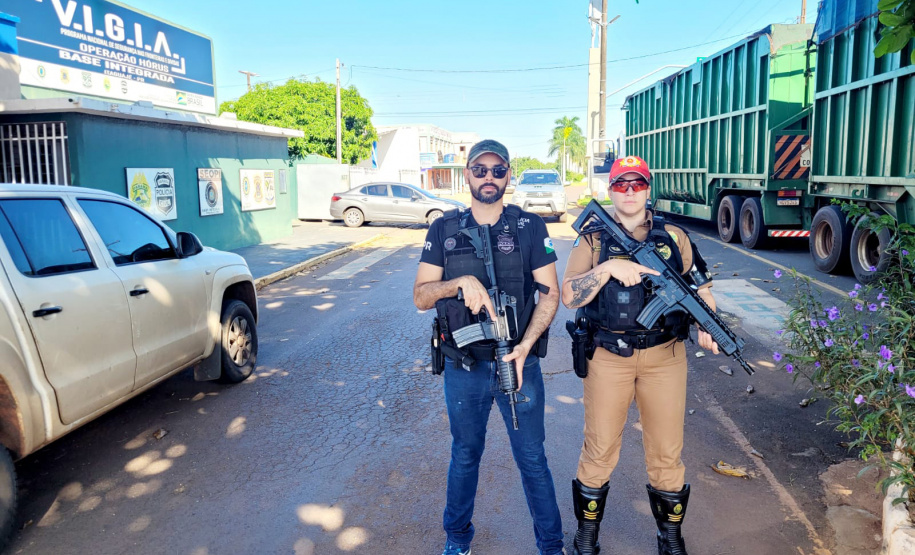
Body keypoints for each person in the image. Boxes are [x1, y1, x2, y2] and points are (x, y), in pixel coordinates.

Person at [413, 140, 565, 555]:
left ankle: (552, 547)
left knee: (532, 460)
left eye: (498, 170)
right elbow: (421, 296)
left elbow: (549, 295)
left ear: (508, 176)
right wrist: (458, 283)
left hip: (518, 363)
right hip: (465, 368)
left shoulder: (530, 227)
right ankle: (457, 539)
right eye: (480, 169)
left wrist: (525, 346)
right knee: (465, 456)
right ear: (467, 175)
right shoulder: (443, 229)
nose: (489, 177)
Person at [560, 155, 718, 555]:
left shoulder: (674, 237)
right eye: (620, 185)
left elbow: (703, 289)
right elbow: (568, 294)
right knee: (599, 448)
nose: (629, 192)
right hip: (608, 357)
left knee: (667, 452)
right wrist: (609, 267)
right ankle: (587, 538)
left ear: (649, 189)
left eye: (638, 184)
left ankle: (669, 539)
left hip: (665, 357)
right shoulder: (593, 238)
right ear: (609, 191)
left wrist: (708, 325)